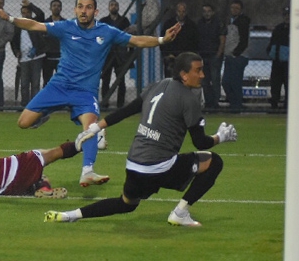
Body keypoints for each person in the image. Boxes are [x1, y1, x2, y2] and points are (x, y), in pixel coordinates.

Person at [0, 0, 181, 187]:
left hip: (85, 92)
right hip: (59, 86)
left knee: (91, 127)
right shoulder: (66, 27)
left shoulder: (107, 31)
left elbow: (136, 40)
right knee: (23, 123)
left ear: (95, 11)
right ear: (75, 10)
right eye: (80, 6)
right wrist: (10, 18)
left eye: (88, 7)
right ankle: (45, 114)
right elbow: (34, 25)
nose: (84, 11)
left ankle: (87, 171)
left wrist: (162, 40)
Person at [44, 52, 237, 227]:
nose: (202, 75)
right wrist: (221, 137)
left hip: (134, 165)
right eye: (198, 70)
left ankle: (69, 215)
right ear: (184, 75)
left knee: (126, 204)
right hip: (159, 168)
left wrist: (95, 127)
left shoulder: (159, 85)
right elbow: (200, 143)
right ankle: (180, 213)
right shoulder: (188, 99)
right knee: (214, 162)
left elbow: (128, 110)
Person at [12, 0, 46, 106]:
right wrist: (16, 51)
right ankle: (24, 105)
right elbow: (13, 41)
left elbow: (41, 14)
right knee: (24, 83)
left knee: (35, 83)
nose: (26, 14)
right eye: (24, 12)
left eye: (28, 12)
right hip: (23, 58)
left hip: (36, 57)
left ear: (31, 13)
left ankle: (34, 105)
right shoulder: (18, 25)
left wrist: (30, 5)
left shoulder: (35, 23)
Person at [99, 0, 132, 109]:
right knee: (105, 79)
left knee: (121, 80)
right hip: (107, 54)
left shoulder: (124, 21)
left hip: (120, 55)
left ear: (118, 7)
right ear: (109, 7)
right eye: (112, 5)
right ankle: (105, 103)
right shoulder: (103, 21)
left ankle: (120, 104)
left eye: (116, 5)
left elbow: (129, 38)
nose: (114, 7)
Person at [221, 0, 251, 111]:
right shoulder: (230, 21)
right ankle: (234, 103)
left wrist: (235, 53)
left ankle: (237, 105)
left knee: (235, 82)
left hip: (238, 56)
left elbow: (244, 41)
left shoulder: (243, 22)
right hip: (229, 56)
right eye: (233, 8)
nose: (234, 10)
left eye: (237, 8)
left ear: (241, 10)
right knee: (226, 82)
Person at [196, 4, 226, 109]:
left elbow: (222, 40)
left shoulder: (218, 23)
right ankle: (208, 102)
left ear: (213, 12)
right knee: (204, 81)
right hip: (203, 56)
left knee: (215, 80)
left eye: (209, 11)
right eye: (204, 11)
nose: (207, 13)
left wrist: (218, 54)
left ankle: (215, 102)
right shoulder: (200, 23)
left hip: (214, 55)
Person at [160, 2, 198, 78]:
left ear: (186, 12)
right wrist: (167, 54)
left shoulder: (191, 25)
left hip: (186, 58)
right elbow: (163, 40)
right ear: (176, 11)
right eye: (179, 11)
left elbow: (195, 42)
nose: (181, 14)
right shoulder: (169, 24)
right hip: (171, 57)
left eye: (183, 11)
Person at [267, 7, 289, 109]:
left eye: (288, 15)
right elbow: (272, 42)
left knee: (288, 84)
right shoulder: (278, 28)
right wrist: (270, 52)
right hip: (277, 61)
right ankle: (274, 104)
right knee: (275, 84)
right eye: (285, 15)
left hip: (289, 63)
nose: (287, 17)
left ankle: (287, 106)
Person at [42, 0, 64, 87]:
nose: (56, 7)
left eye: (58, 6)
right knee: (47, 81)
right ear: (50, 8)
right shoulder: (45, 23)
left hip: (61, 57)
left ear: (61, 8)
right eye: (54, 5)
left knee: (62, 82)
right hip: (48, 57)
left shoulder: (65, 23)